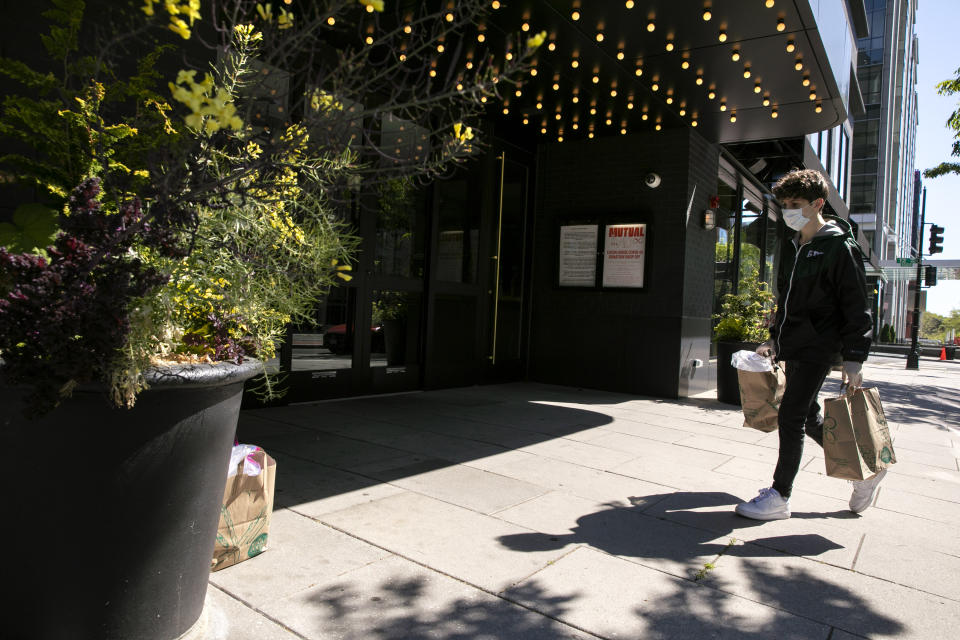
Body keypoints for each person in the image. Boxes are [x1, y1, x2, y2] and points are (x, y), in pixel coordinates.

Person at [735, 169, 882, 520]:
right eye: (784, 204)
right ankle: (867, 471)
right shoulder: (795, 246)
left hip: (820, 345)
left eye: (796, 204)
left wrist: (854, 357)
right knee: (810, 415)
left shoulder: (837, 247)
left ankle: (780, 495)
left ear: (818, 203)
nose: (788, 210)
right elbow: (787, 300)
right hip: (795, 344)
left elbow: (856, 303)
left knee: (791, 416)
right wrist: (774, 339)